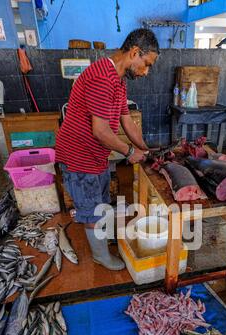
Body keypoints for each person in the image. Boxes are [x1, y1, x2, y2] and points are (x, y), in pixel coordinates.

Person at [56, 29, 160, 270]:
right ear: (135, 52)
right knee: (92, 210)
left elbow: (127, 120)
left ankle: (101, 240)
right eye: (146, 64)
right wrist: (129, 152)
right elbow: (101, 132)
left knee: (101, 202)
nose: (146, 72)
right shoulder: (102, 78)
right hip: (79, 156)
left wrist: (145, 148)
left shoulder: (118, 79)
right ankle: (100, 256)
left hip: (95, 155)